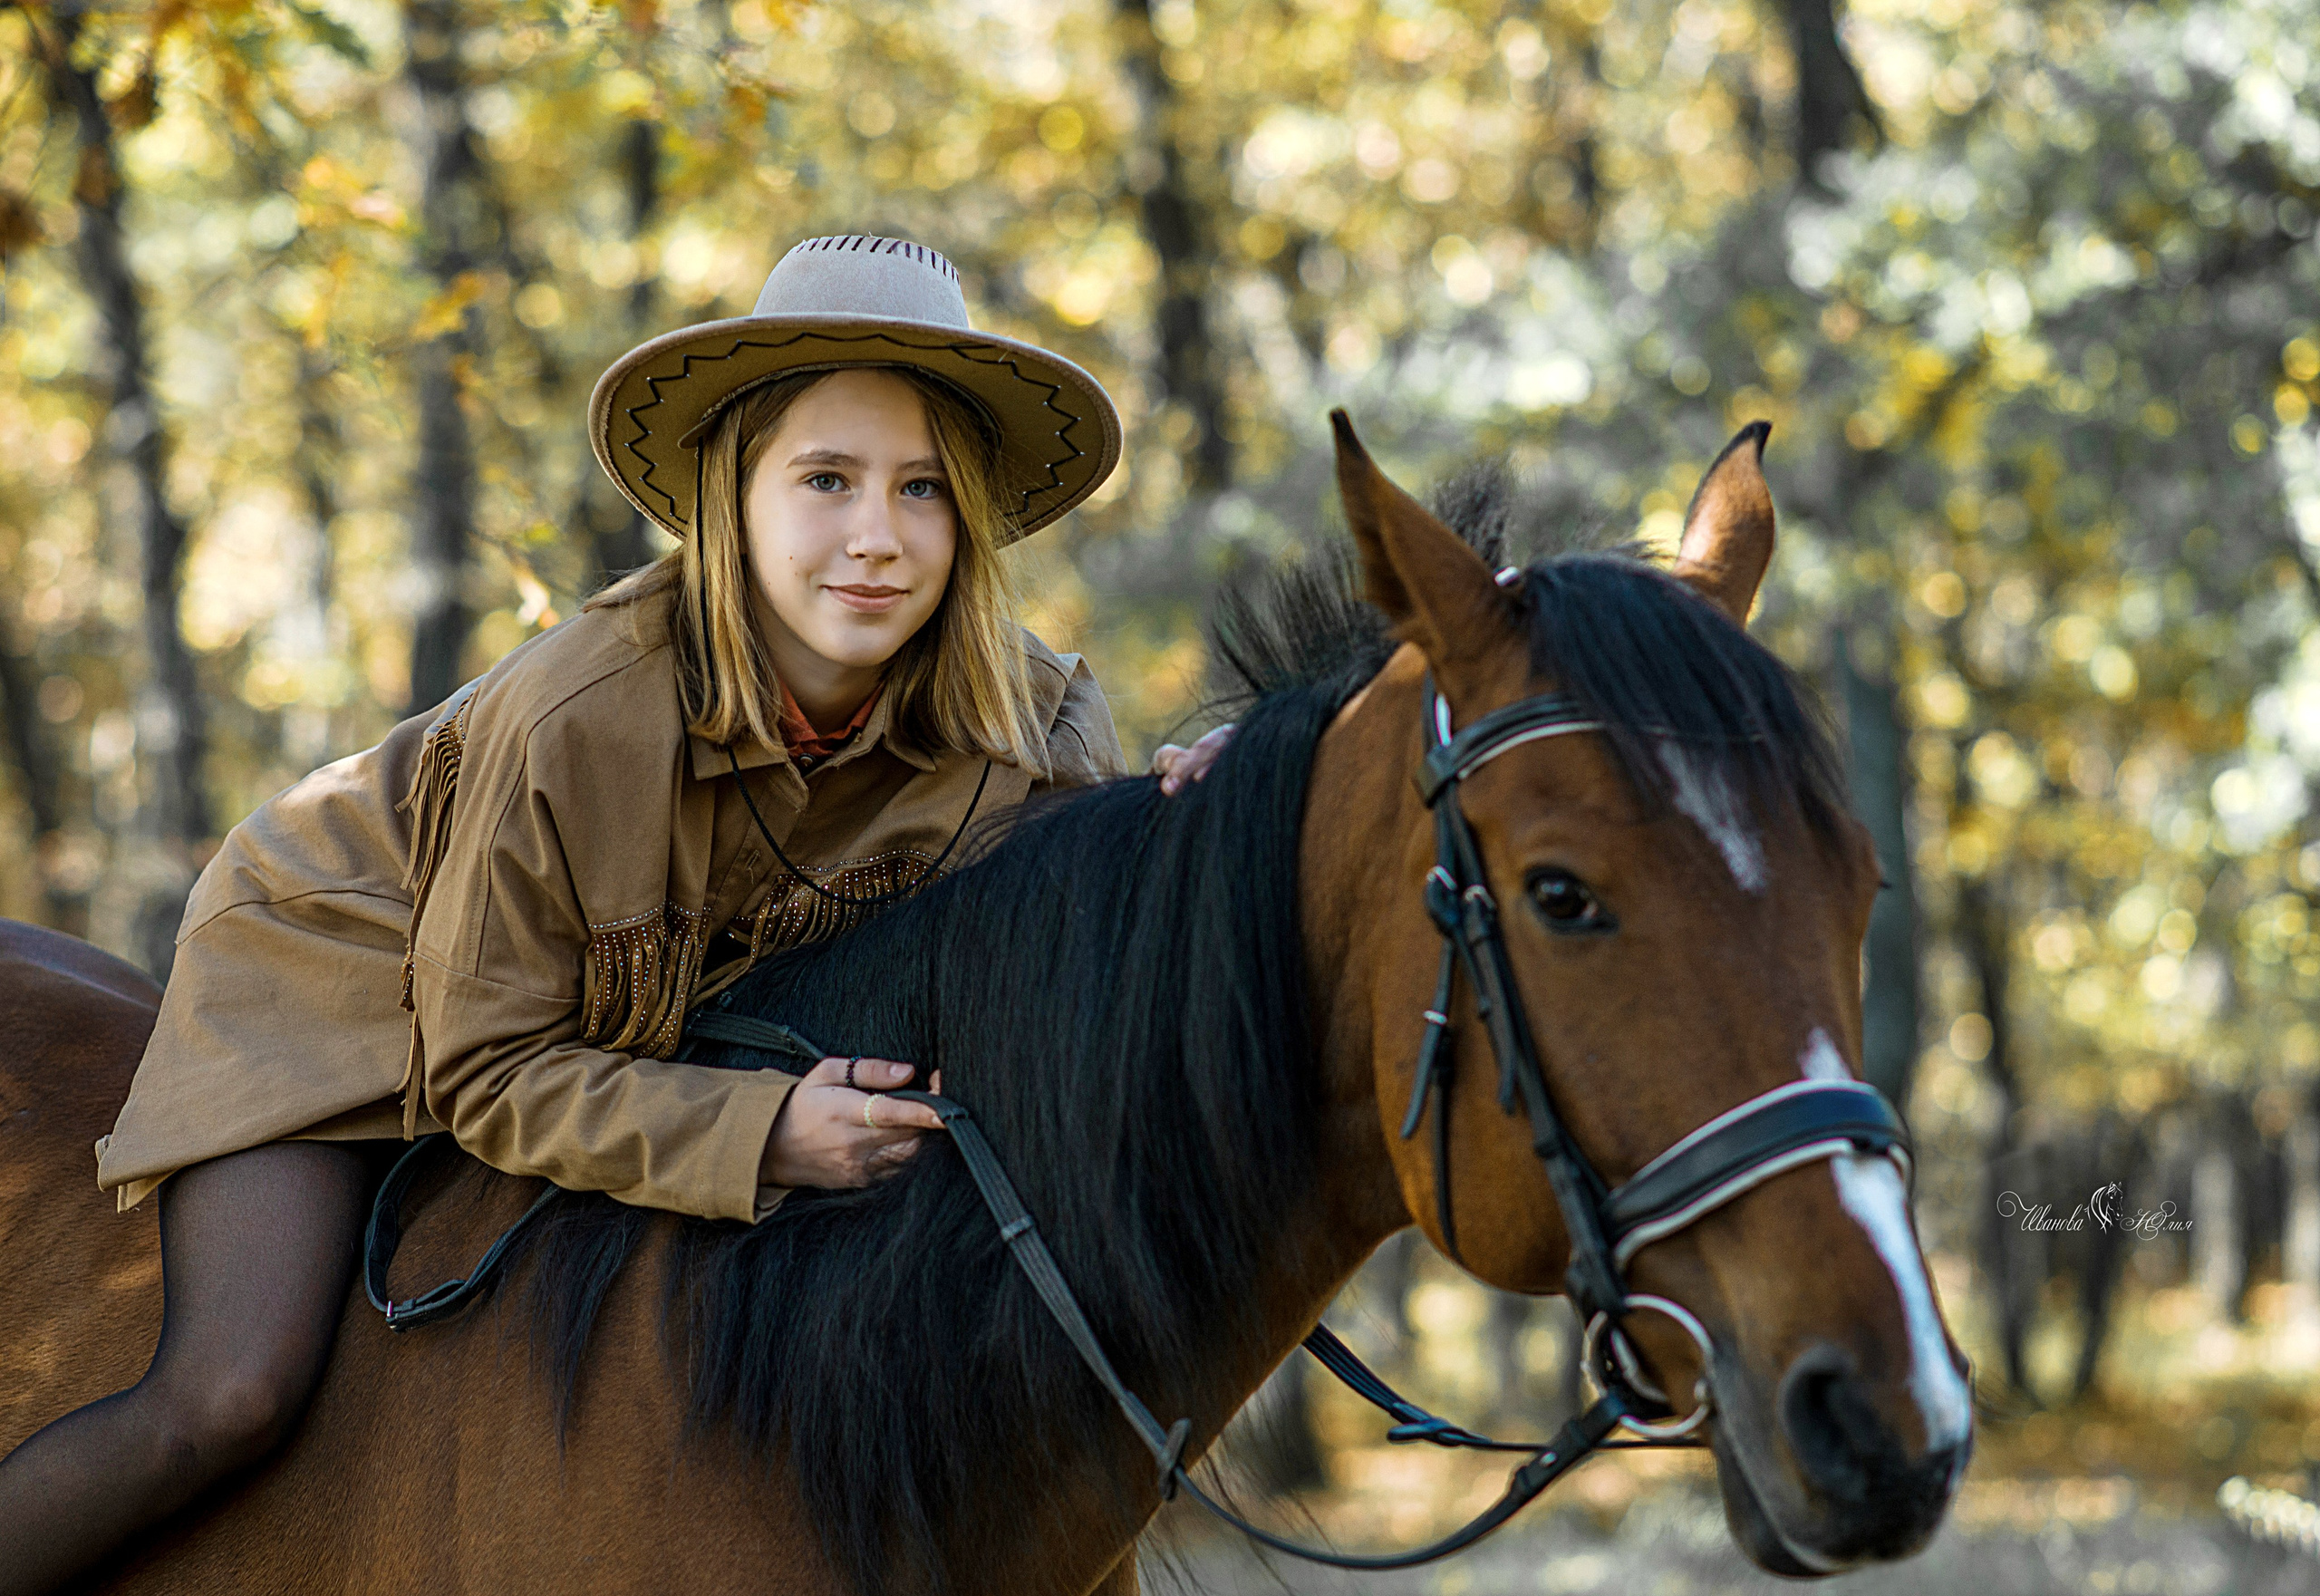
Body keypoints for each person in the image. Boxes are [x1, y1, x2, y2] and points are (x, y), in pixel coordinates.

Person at [0, 235, 1232, 1591]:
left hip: (615, 1020)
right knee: (230, 1390)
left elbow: (1086, 959)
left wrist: (1206, 820)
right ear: (734, 496)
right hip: (351, 965)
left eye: (924, 487)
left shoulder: (1031, 719)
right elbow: (483, 1064)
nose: (877, 535)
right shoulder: (587, 710)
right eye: (825, 479)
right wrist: (762, 1130)